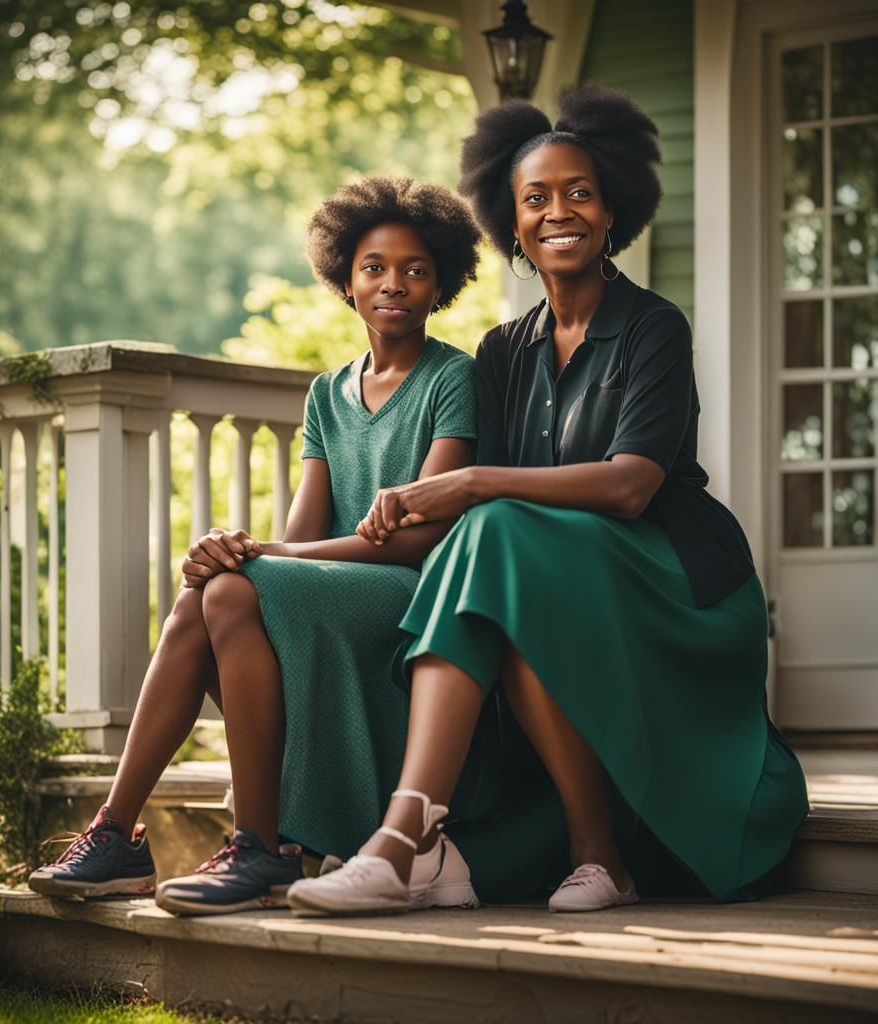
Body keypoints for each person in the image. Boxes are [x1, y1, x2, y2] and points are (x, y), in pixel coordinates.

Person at [286, 85, 810, 918]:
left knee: (491, 526)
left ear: (612, 211)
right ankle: (567, 854)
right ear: (513, 222)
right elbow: (486, 521)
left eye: (579, 193)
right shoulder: (502, 351)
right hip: (557, 579)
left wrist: (472, 482)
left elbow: (631, 486)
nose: (558, 211)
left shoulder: (654, 327)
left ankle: (405, 840)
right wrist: (399, 510)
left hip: (673, 578)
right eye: (536, 198)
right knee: (498, 571)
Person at [29, 176, 484, 916]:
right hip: (334, 587)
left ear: (441, 284)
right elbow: (301, 535)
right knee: (208, 591)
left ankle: (259, 846)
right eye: (373, 267)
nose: (393, 284)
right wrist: (243, 549)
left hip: (414, 597)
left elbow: (420, 538)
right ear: (344, 280)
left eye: (415, 270)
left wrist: (261, 556)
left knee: (233, 583)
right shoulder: (327, 393)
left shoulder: (454, 377)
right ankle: (117, 833)